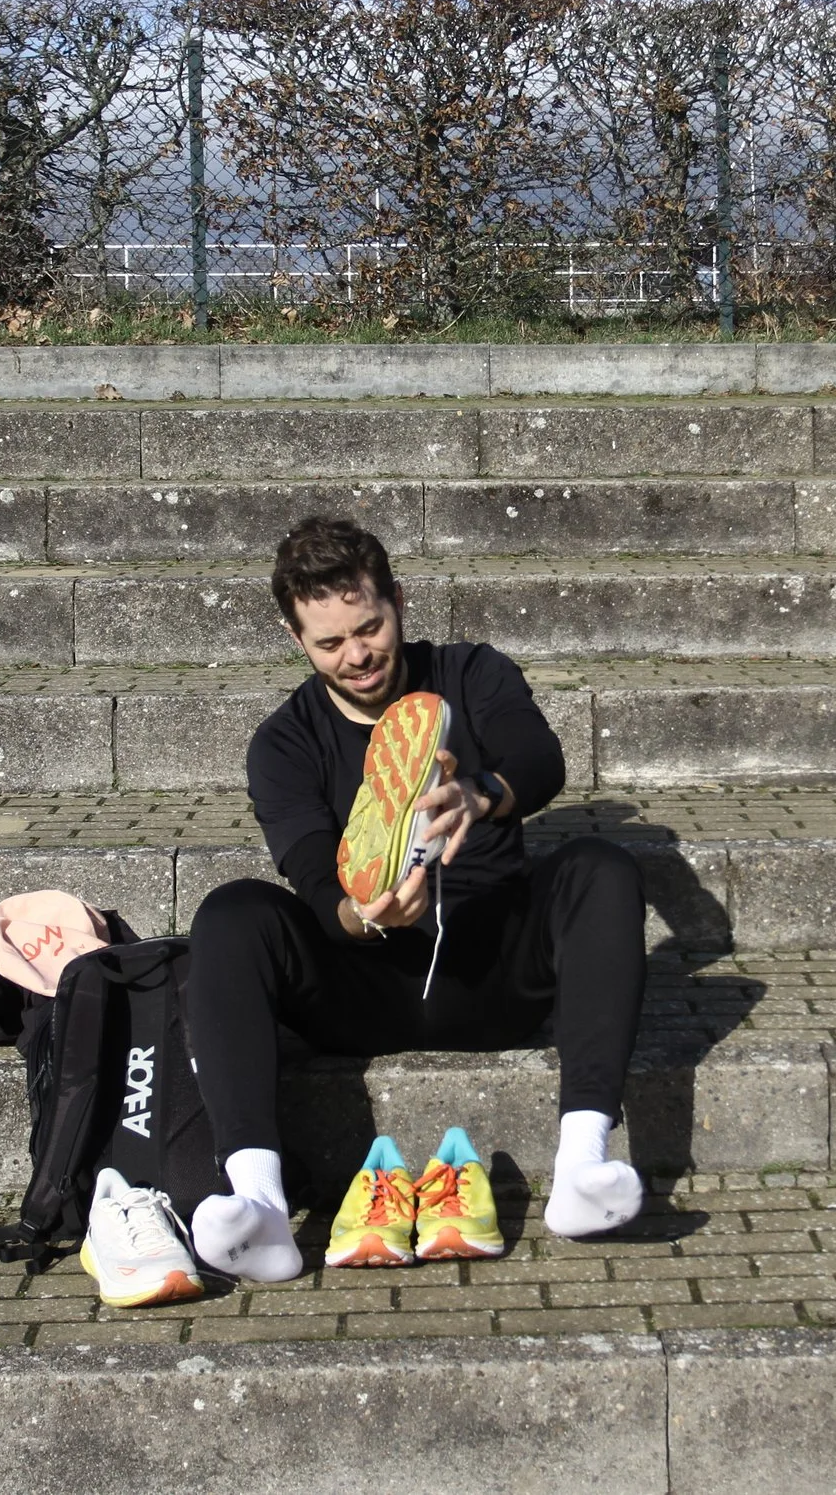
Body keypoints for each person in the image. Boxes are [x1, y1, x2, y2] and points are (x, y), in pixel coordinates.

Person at [183, 517, 650, 1282]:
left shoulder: (472, 673)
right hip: (360, 987)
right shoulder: (284, 741)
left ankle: (582, 1166)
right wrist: (360, 916)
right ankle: (260, 1204)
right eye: (329, 643)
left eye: (369, 627)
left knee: (602, 866)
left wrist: (481, 792)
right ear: (294, 637)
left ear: (398, 599)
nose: (357, 654)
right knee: (231, 912)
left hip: (492, 966)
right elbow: (311, 874)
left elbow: (540, 756)